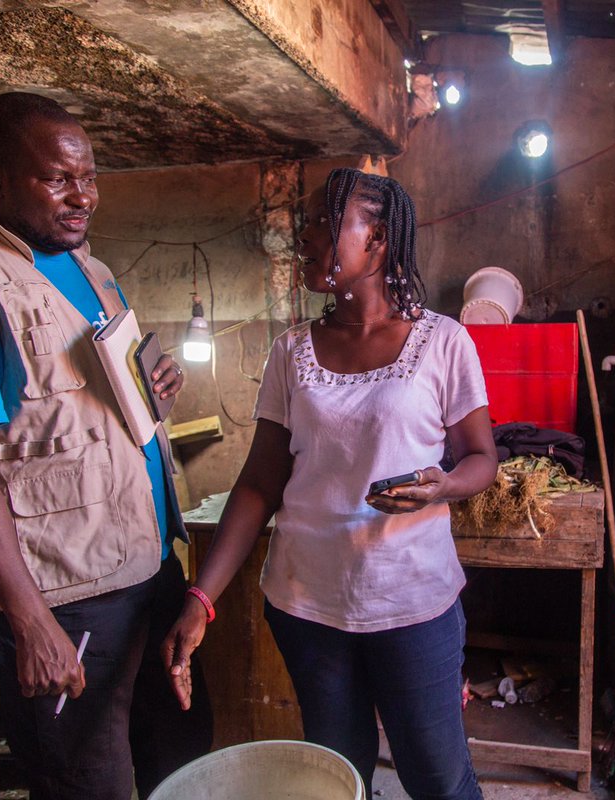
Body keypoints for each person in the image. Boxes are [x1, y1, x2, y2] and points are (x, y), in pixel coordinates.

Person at [0, 92, 212, 799]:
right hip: (67, 596)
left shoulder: (92, 272)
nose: (83, 198)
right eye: (58, 179)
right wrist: (29, 620)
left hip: (145, 568)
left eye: (89, 176)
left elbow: (74, 419)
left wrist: (150, 397)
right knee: (84, 782)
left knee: (179, 759)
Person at [161, 167, 496, 800]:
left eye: (323, 221)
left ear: (377, 241)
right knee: (335, 782)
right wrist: (201, 599)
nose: (304, 236)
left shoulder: (444, 341)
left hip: (412, 604)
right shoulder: (291, 352)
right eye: (307, 222)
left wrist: (441, 486)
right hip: (308, 606)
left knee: (438, 778)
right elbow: (259, 484)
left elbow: (481, 457)